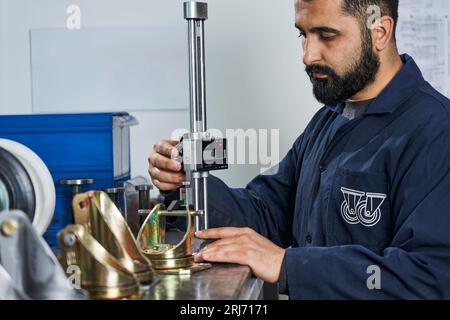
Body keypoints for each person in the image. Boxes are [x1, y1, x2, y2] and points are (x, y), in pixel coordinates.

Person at [148, 0, 450, 299]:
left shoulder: (436, 131)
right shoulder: (328, 120)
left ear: (380, 31)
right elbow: (267, 212)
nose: (308, 55)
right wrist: (185, 184)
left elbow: (430, 277)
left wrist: (289, 266)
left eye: (327, 36)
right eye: (303, 35)